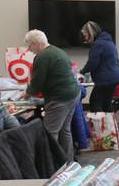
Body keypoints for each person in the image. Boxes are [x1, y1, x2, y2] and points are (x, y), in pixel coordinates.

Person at [23, 29, 80, 161]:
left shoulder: (42, 57)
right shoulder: (57, 51)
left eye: (29, 45)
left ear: (36, 43)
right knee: (65, 130)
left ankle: (50, 165)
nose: (28, 49)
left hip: (60, 98)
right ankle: (67, 161)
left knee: (49, 132)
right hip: (73, 94)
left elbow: (37, 81)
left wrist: (27, 93)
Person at [80, 21, 119, 113]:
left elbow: (92, 63)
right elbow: (116, 60)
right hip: (115, 77)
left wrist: (81, 72)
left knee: (95, 102)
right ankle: (109, 126)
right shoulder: (108, 41)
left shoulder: (98, 44)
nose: (84, 38)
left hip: (106, 79)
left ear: (90, 33)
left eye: (85, 35)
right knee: (106, 103)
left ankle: (99, 126)